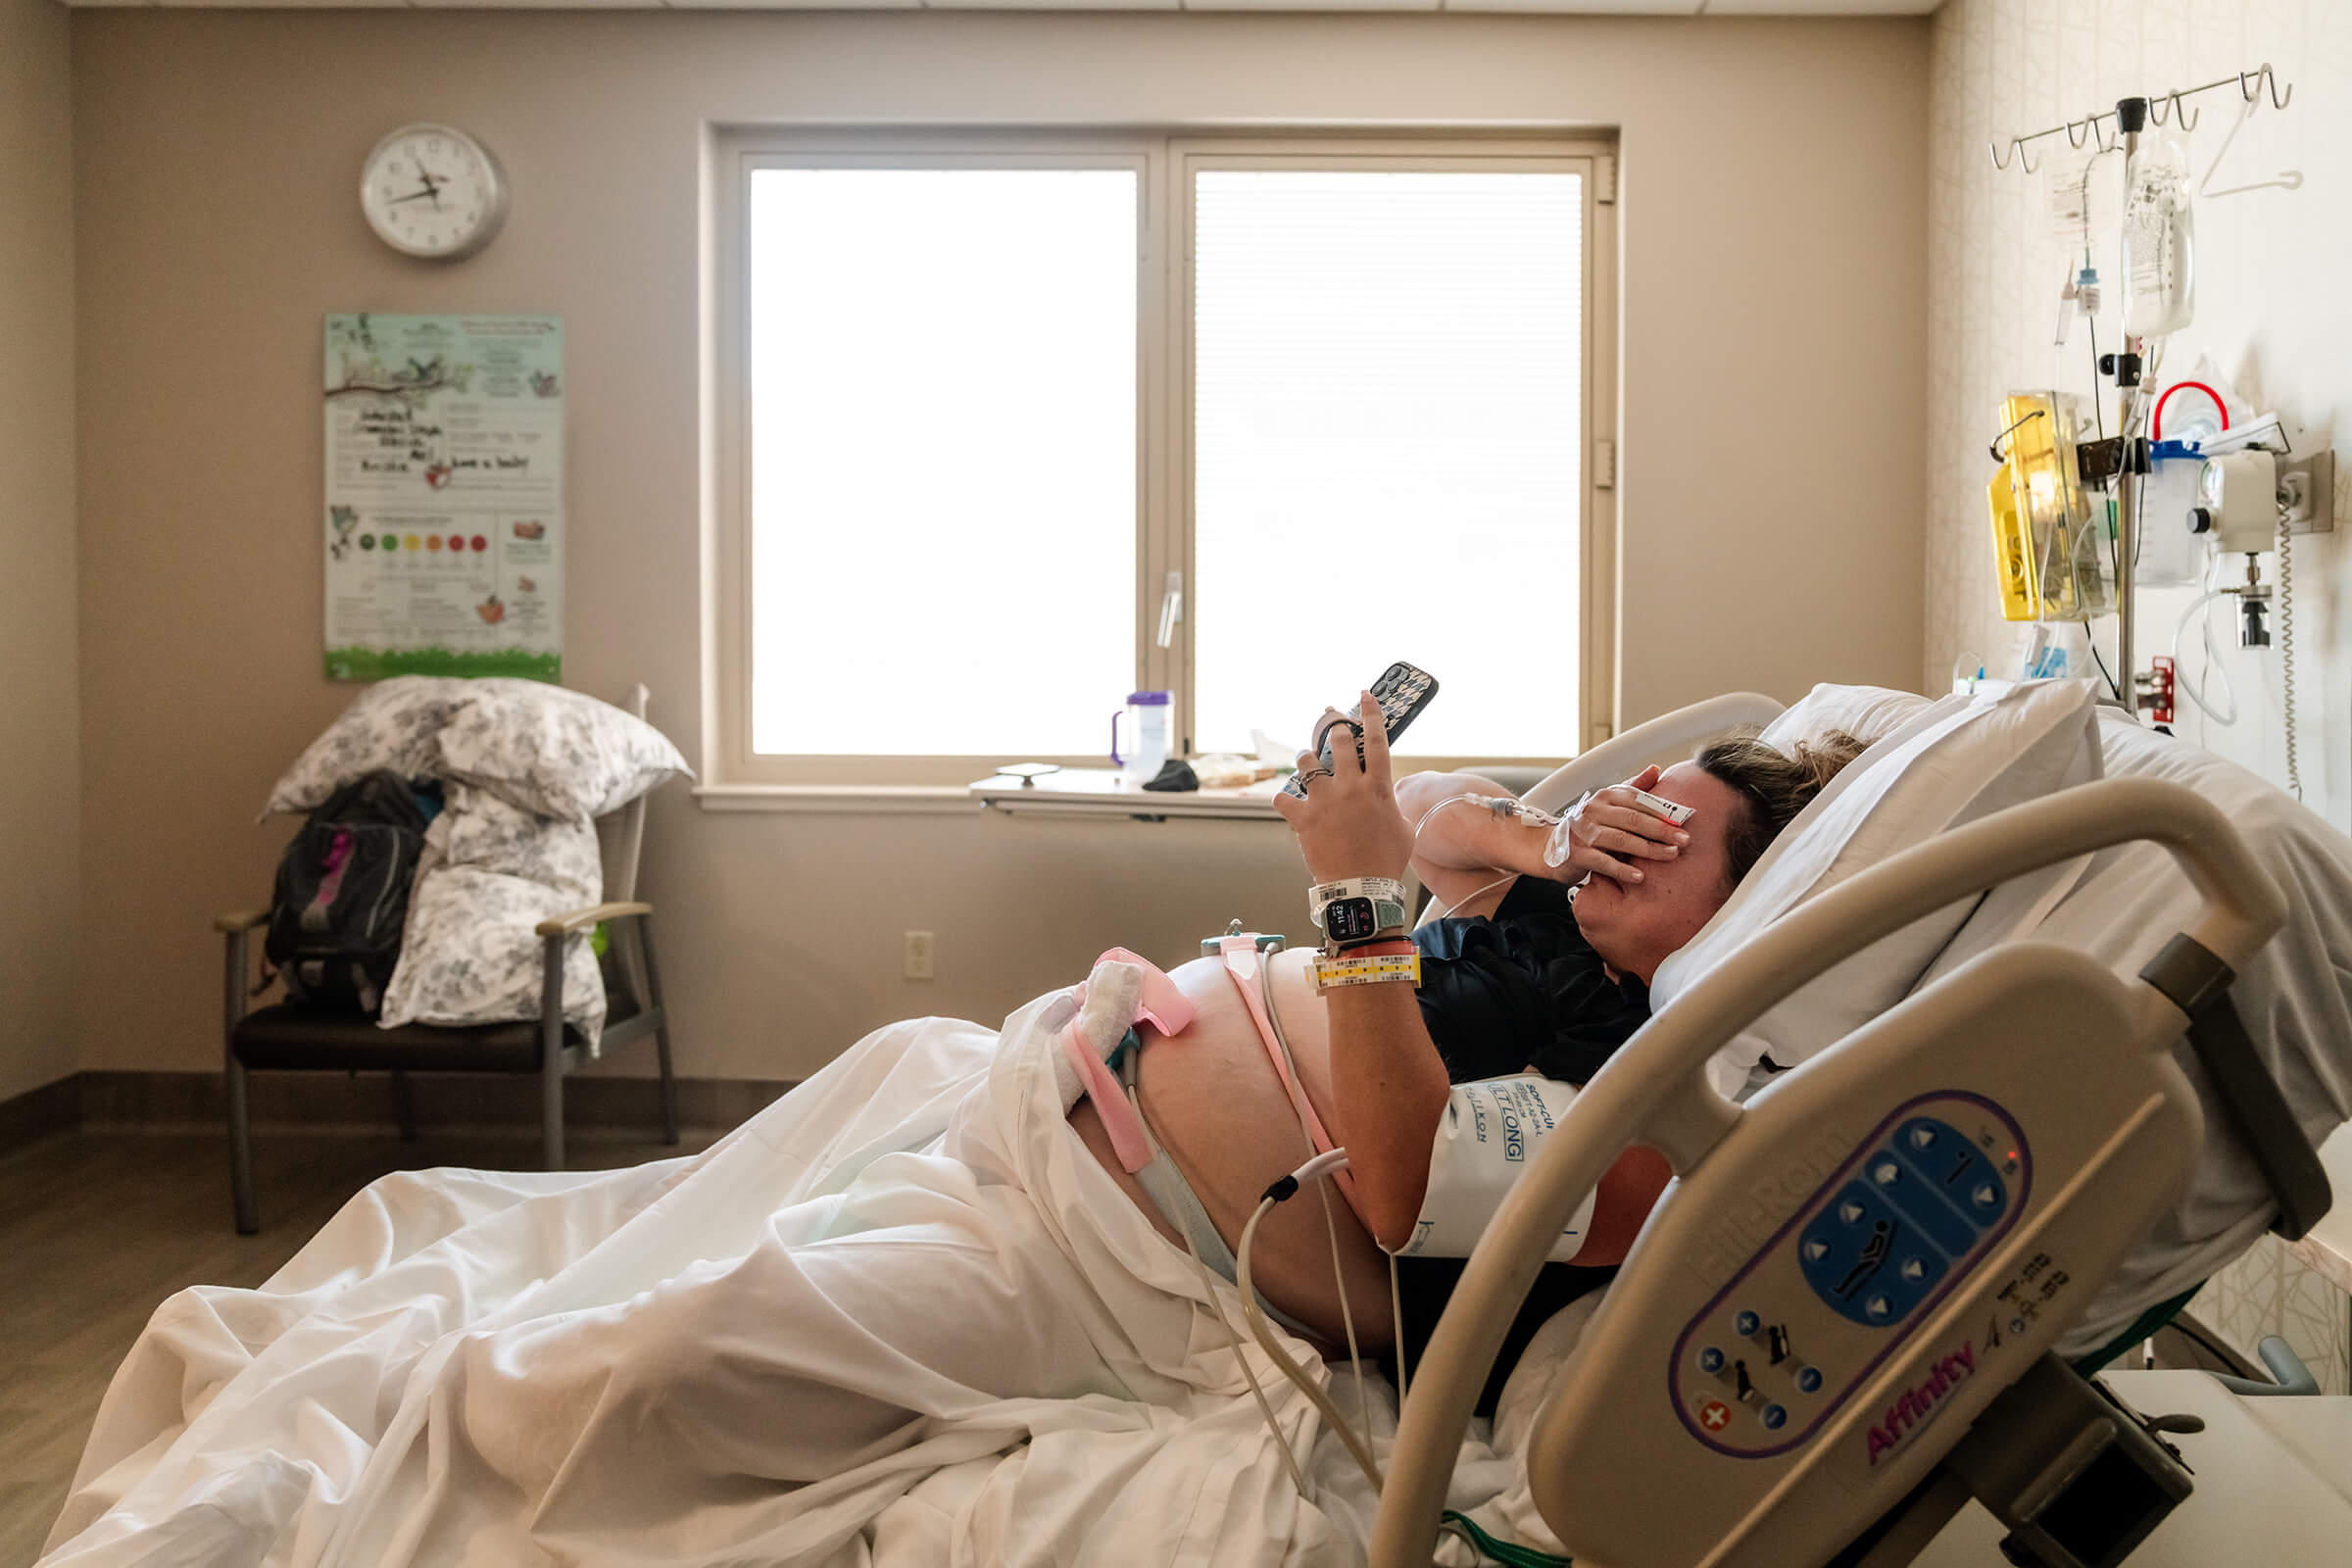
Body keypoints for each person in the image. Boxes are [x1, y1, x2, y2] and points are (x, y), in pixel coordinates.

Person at [1081, 697, 1869, 1402]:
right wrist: (1552, 839)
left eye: (1659, 830)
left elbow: (1409, 1193)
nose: (1620, 824)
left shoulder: (1663, 1080)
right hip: (1090, 1094)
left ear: (1746, 906)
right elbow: (1427, 807)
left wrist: (1358, 896)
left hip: (1149, 1250)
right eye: (1632, 801)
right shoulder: (1567, 915)